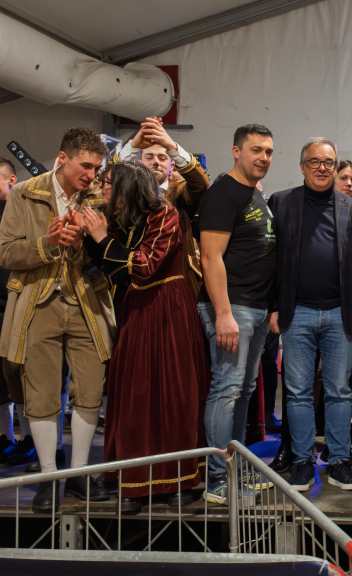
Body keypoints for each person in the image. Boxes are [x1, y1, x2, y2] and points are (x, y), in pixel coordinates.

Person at [78, 162, 208, 511]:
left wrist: (101, 238)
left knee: (174, 393)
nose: (103, 188)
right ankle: (136, 482)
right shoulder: (120, 220)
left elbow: (145, 267)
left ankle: (179, 480)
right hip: (137, 307)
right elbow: (108, 268)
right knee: (136, 393)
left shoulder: (164, 214)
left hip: (169, 307)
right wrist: (87, 236)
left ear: (127, 187)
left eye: (109, 182)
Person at [0, 128, 115, 511]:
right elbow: (6, 252)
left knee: (91, 389)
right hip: (37, 302)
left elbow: (110, 254)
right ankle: (49, 477)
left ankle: (79, 476)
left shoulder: (101, 197)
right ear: (62, 159)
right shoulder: (25, 193)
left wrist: (85, 244)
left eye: (97, 168)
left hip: (87, 302)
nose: (92, 175)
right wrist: (46, 244)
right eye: (86, 165)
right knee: (41, 393)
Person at [268, 138, 352, 492]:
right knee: (297, 392)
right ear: (302, 166)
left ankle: (340, 463)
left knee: (339, 392)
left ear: (336, 166)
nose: (322, 168)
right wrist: (273, 306)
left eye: (329, 162)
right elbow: (270, 261)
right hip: (295, 313)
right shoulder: (281, 202)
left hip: (341, 315)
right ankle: (301, 463)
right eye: (314, 161)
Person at [197, 124, 276, 505]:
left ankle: (237, 467)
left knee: (242, 390)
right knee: (226, 389)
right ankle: (217, 478)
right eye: (256, 150)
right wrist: (223, 313)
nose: (263, 157)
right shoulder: (222, 193)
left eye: (268, 151)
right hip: (233, 308)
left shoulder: (253, 192)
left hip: (256, 308)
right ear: (236, 151)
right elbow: (210, 258)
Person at [111, 117, 209, 295]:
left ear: (171, 166)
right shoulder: (126, 193)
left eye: (163, 158)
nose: (156, 161)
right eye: (149, 157)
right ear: (139, 164)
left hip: (172, 284)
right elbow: (108, 178)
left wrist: (171, 146)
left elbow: (201, 184)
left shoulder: (180, 191)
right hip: (130, 281)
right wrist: (133, 146)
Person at [0, 158, 33, 468]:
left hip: (16, 301)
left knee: (19, 372)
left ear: (11, 181)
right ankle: (6, 437)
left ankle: (29, 439)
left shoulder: (22, 210)